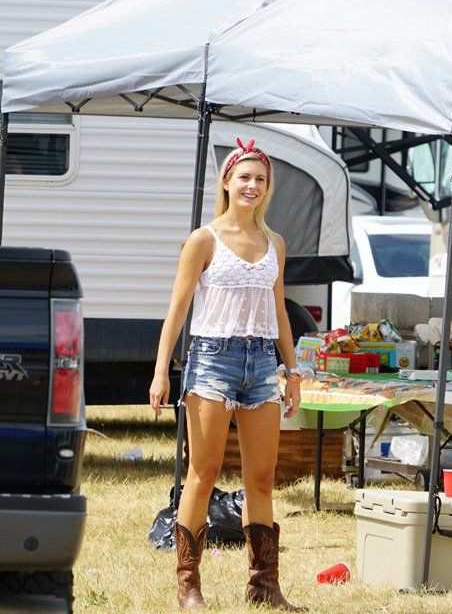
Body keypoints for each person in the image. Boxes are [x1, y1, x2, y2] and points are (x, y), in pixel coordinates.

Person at [148, 139, 304, 611]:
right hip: (211, 358)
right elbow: (177, 310)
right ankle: (189, 586)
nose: (252, 186)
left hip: (261, 364)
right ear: (227, 182)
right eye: (245, 177)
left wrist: (292, 371)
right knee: (204, 471)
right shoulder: (203, 239)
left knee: (261, 478)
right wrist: (161, 371)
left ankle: (264, 586)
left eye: (261, 179)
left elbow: (278, 312)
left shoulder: (274, 242)